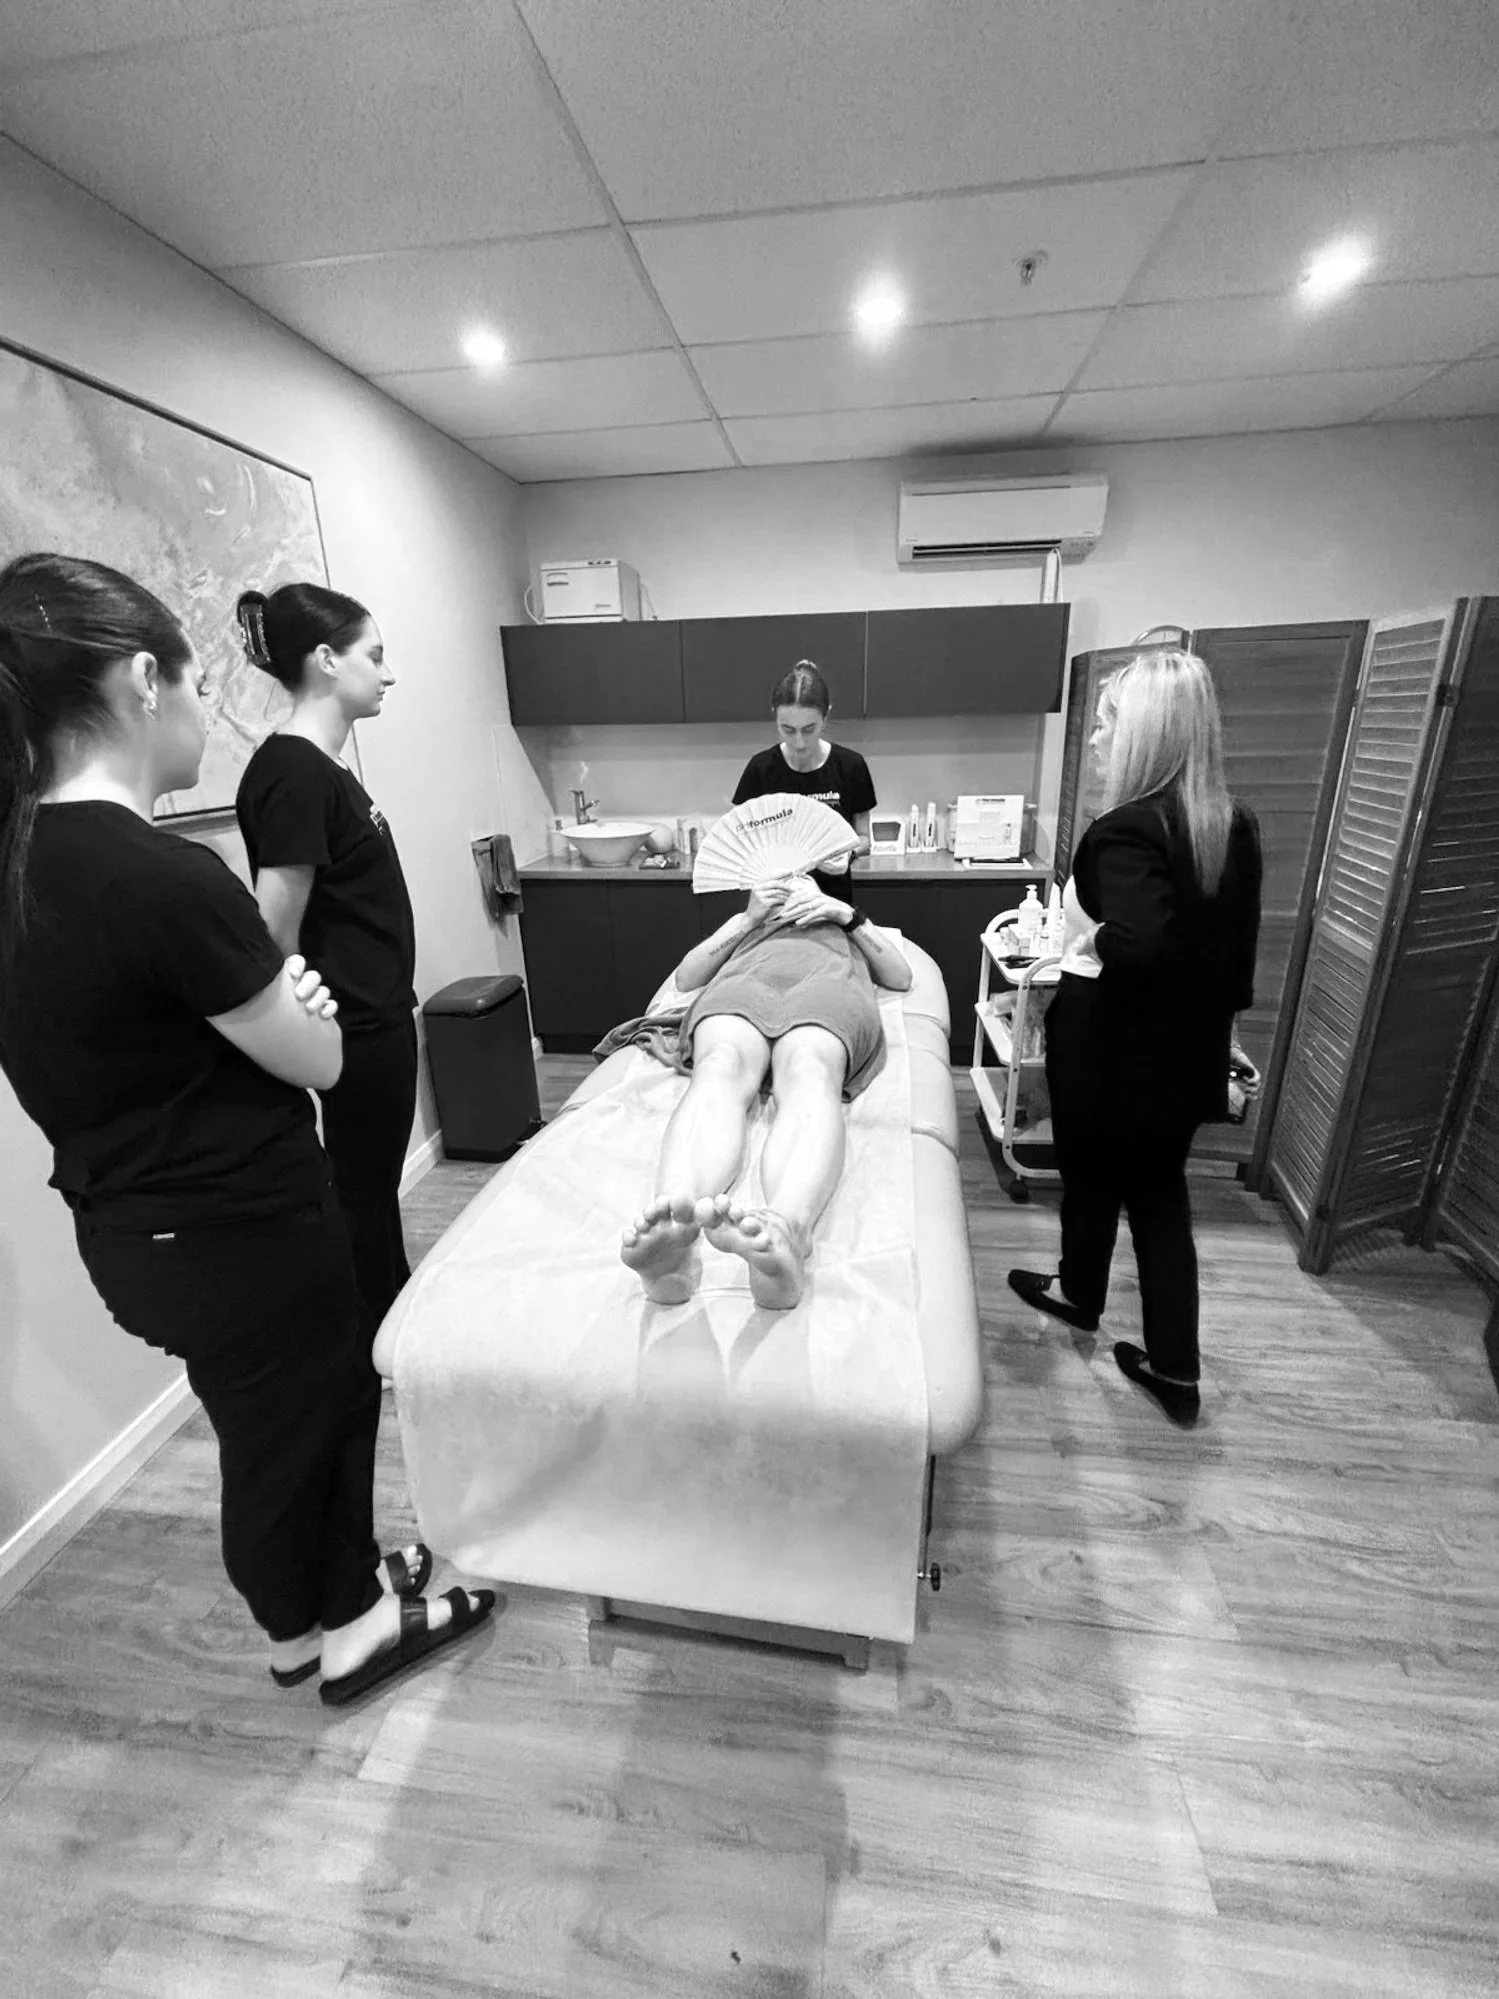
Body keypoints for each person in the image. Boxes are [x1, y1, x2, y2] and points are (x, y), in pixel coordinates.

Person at [0, 553, 490, 1705]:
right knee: (313, 1417)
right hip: (243, 1226)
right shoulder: (159, 874)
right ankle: (348, 1629)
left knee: (266, 1423)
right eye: (187, 681)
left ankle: (323, 1607)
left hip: (131, 1230)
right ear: (139, 682)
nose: (200, 712)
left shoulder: (23, 863)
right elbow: (314, 1052)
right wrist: (304, 1012)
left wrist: (276, 1009)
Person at [1007, 650, 1262, 1427]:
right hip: (1184, 1055)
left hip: (1111, 1051)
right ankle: (1173, 1367)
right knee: (1157, 1200)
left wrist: (1085, 947)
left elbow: (1141, 943)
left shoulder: (1124, 830)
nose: (1093, 738)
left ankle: (1080, 1295)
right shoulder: (1231, 824)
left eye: (1107, 723)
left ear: (1145, 735)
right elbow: (1230, 962)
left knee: (1089, 1181)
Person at [234, 583, 417, 1344]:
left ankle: (390, 1310)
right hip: (354, 1027)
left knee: (372, 1187)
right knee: (361, 1187)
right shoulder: (293, 774)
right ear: (324, 659)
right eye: (373, 656)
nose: (386, 673)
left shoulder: (323, 770)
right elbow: (271, 932)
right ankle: (378, 1337)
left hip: (376, 1015)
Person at [621, 874, 911, 1310]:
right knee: (718, 1064)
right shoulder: (748, 925)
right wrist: (747, 918)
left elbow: (901, 977)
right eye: (782, 875)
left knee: (810, 1071)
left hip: (827, 989)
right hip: (743, 988)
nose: (793, 879)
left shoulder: (843, 924)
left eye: (803, 873)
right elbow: (685, 979)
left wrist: (845, 915)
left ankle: (787, 1228)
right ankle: (674, 1224)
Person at [731, 662, 876, 890]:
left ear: (826, 717)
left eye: (809, 729)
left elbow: (864, 839)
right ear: (775, 717)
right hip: (774, 903)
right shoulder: (760, 769)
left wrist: (848, 854)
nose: (799, 742)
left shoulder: (850, 766)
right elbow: (740, 836)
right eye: (787, 730)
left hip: (832, 903)